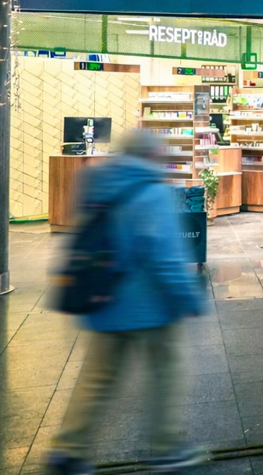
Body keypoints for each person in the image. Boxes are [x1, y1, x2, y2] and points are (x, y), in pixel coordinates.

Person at [47, 129, 206, 475]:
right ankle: (167, 447)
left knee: (96, 379)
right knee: (166, 372)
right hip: (148, 306)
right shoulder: (153, 193)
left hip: (103, 301)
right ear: (151, 157)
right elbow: (164, 258)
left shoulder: (95, 181)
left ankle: (68, 449)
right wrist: (189, 298)